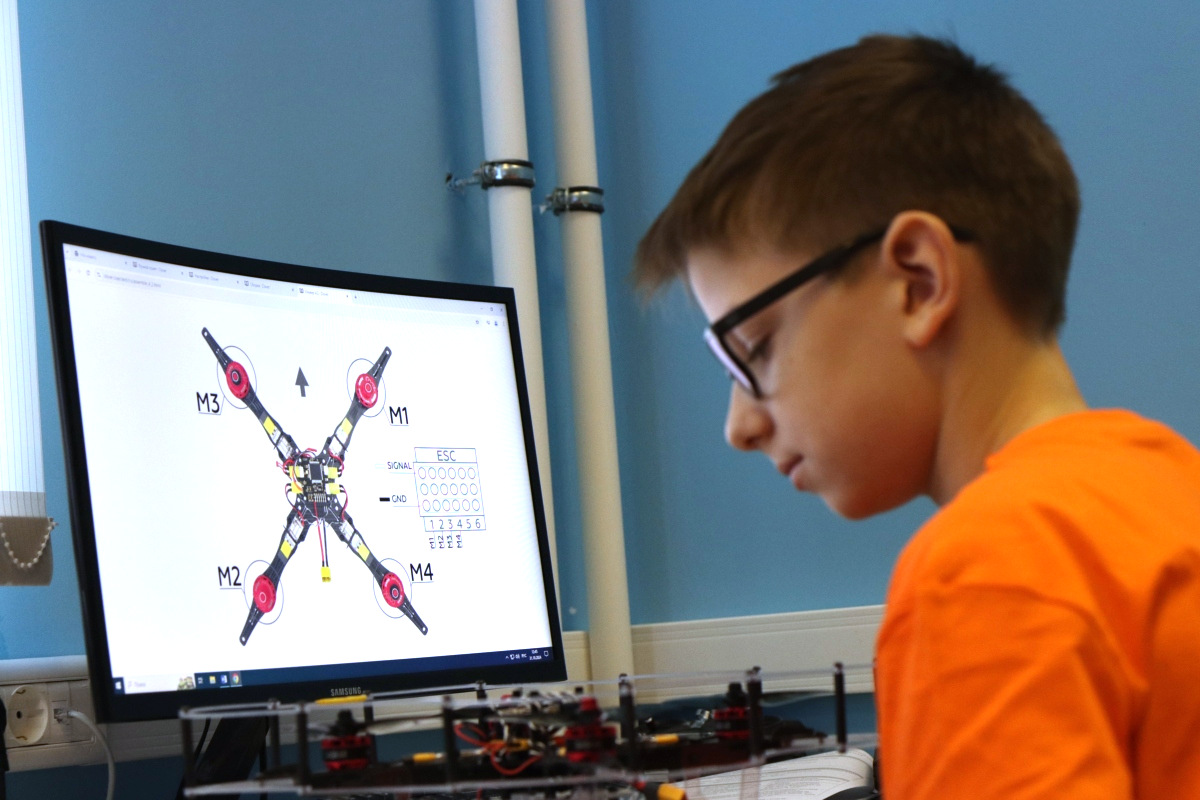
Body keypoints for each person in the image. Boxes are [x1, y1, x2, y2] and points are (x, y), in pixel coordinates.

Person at [633, 34, 1200, 799]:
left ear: (919, 281)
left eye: (753, 349)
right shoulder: (1168, 487)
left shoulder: (987, 573)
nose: (739, 426)